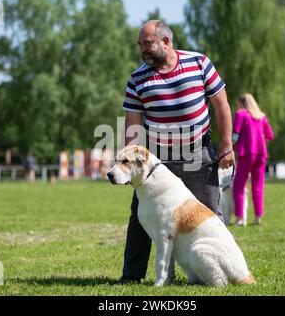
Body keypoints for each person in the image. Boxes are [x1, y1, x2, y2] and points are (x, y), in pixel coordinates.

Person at [116, 20, 234, 285]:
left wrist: (226, 146)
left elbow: (222, 104)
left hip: (198, 155)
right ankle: (132, 275)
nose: (142, 50)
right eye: (140, 45)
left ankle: (224, 268)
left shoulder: (199, 63)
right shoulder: (137, 79)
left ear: (166, 42)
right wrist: (128, 167)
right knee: (140, 215)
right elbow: (133, 127)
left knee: (209, 213)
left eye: (147, 44)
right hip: (158, 163)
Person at [232, 93, 274, 226]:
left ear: (242, 103)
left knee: (238, 186)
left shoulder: (240, 114)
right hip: (261, 155)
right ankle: (257, 218)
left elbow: (235, 135)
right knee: (257, 187)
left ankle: (240, 219)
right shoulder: (261, 116)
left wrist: (229, 146)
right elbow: (270, 135)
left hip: (246, 154)